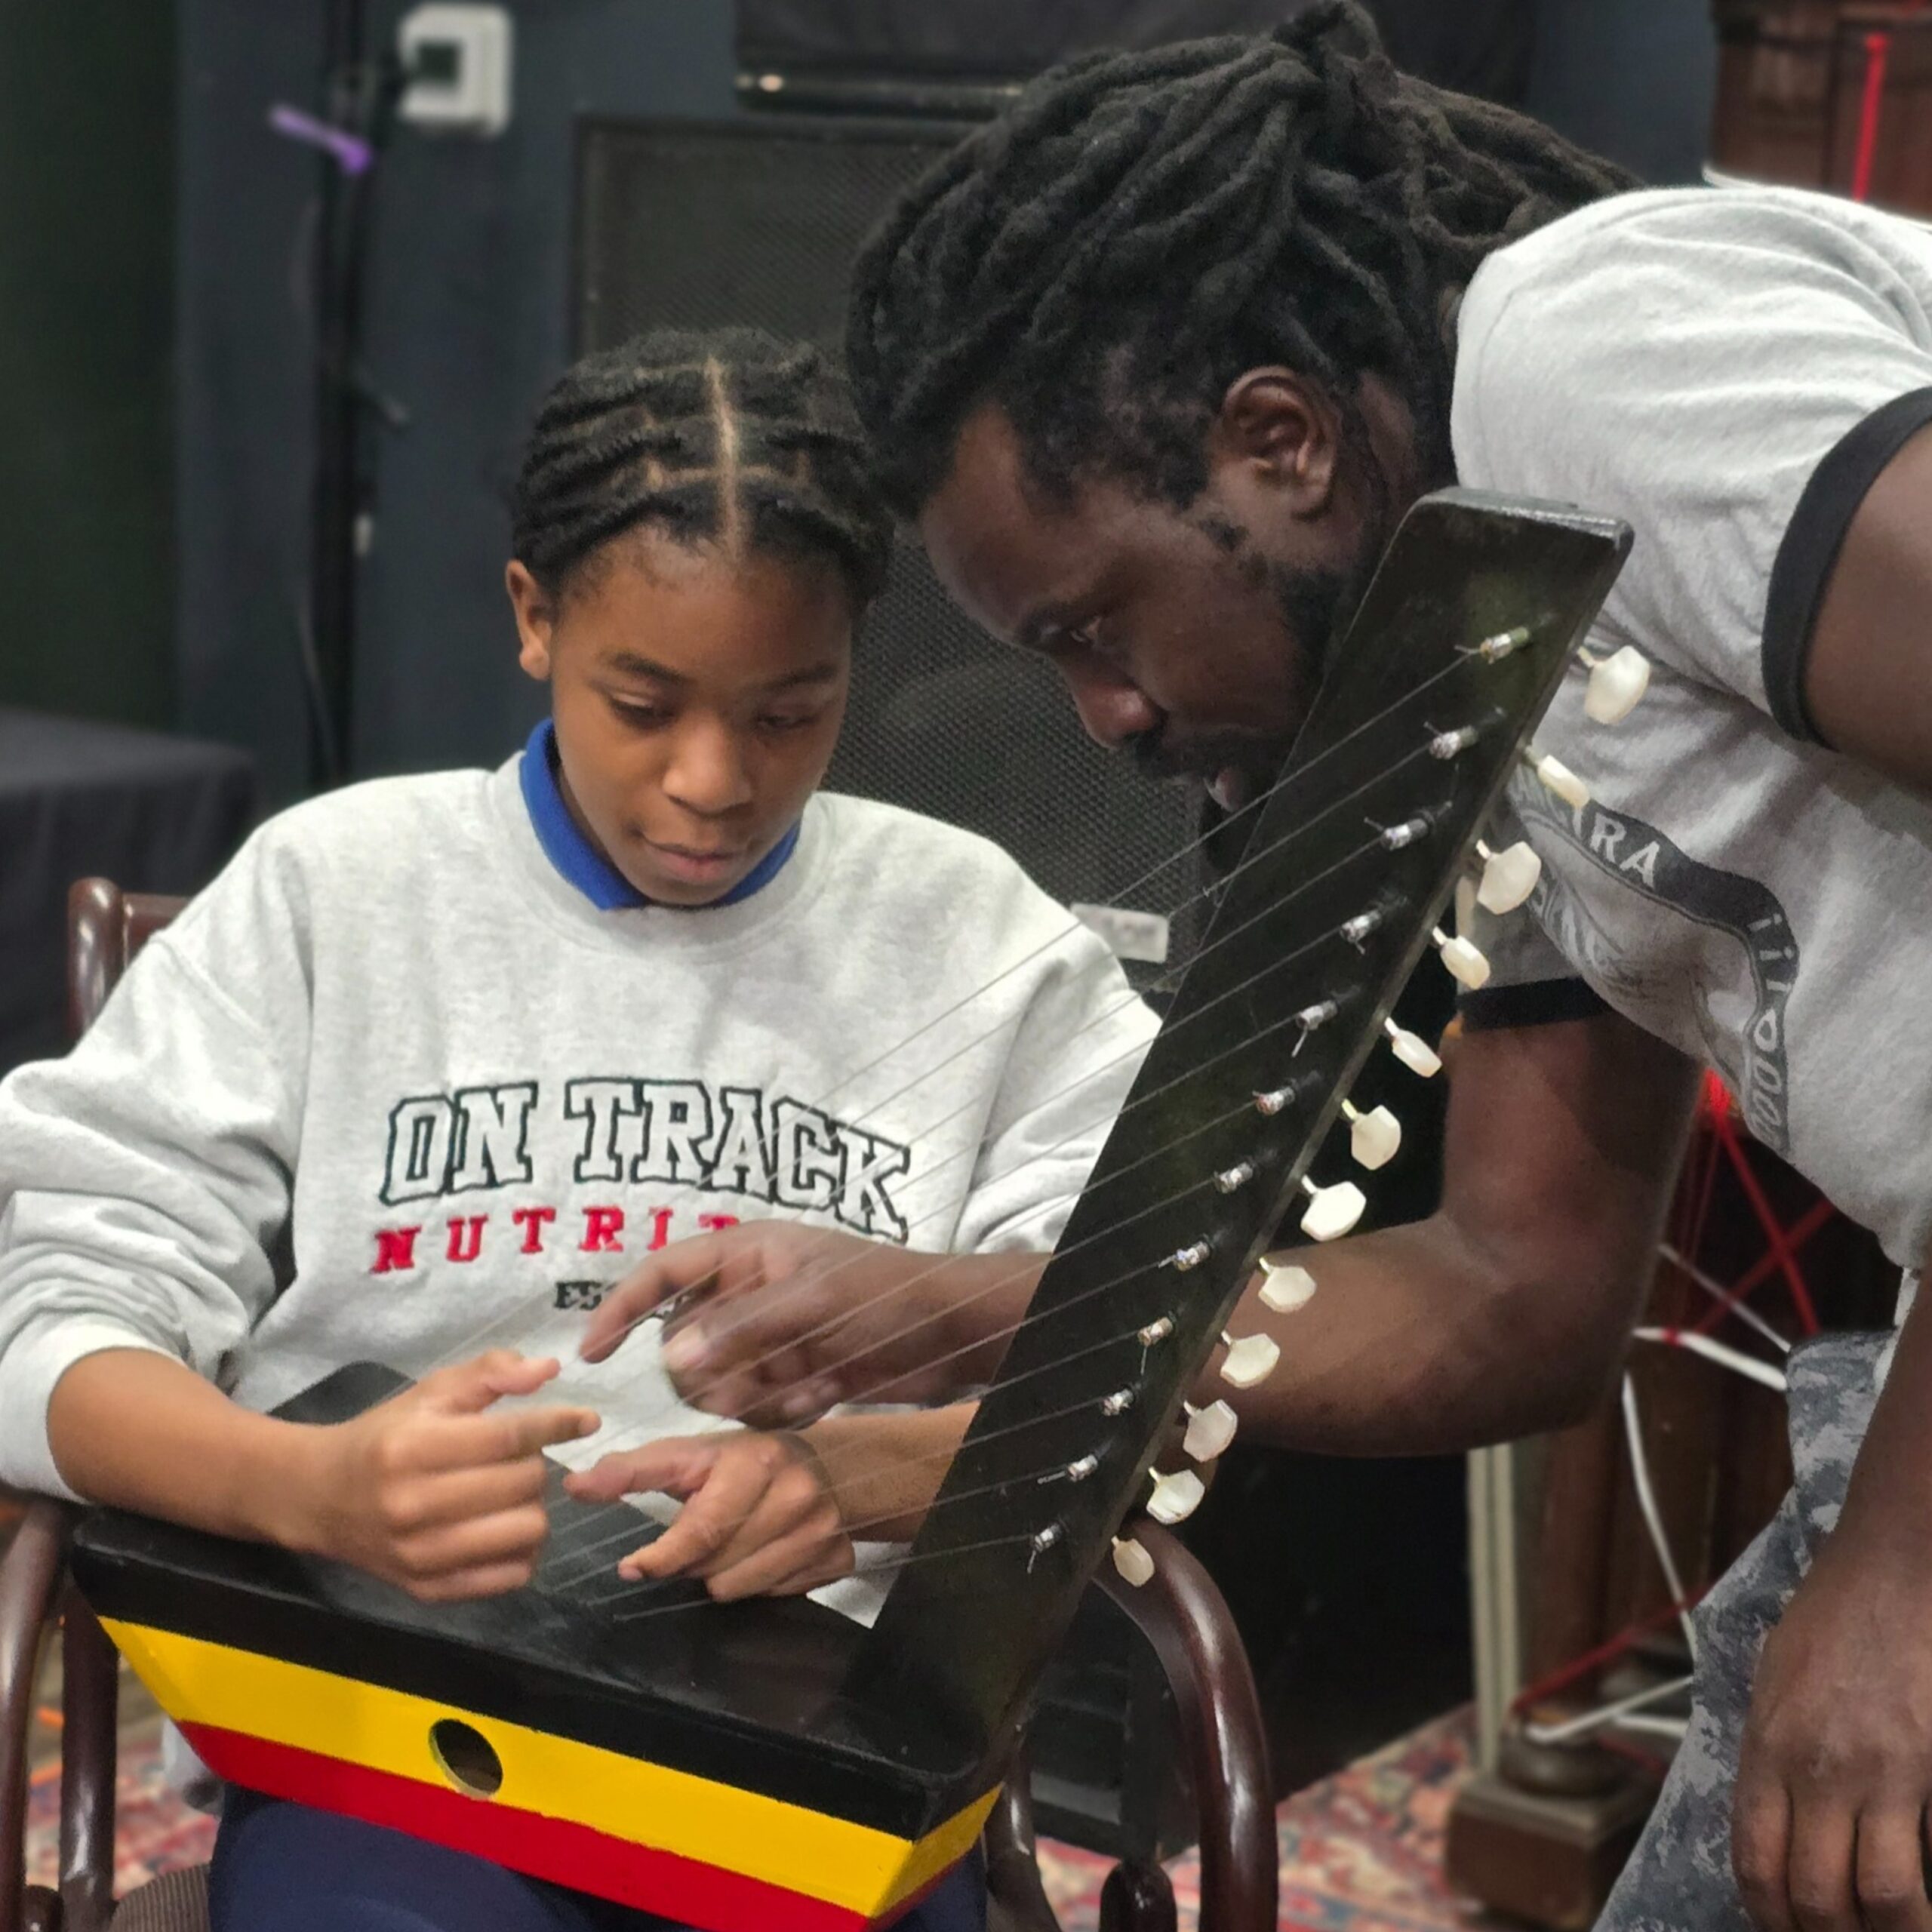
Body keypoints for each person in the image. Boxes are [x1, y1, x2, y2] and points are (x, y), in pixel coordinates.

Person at [580, 14, 1932, 1932]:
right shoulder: (1476, 662)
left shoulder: (1579, 349)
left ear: (1275, 442)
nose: (1104, 715)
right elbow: (1514, 1286)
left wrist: (1901, 1567)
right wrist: (980, 1316)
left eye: (1095, 623)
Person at [0, 327, 1158, 1932]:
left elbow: (1151, 1370)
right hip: (395, 1734)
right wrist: (305, 1488)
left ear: (853, 661)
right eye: (645, 701)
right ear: (534, 617)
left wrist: (864, 1474)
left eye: (786, 711)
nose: (711, 780)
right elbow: (47, 1320)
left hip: (814, 1763)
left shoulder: (987, 945)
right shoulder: (331, 895)